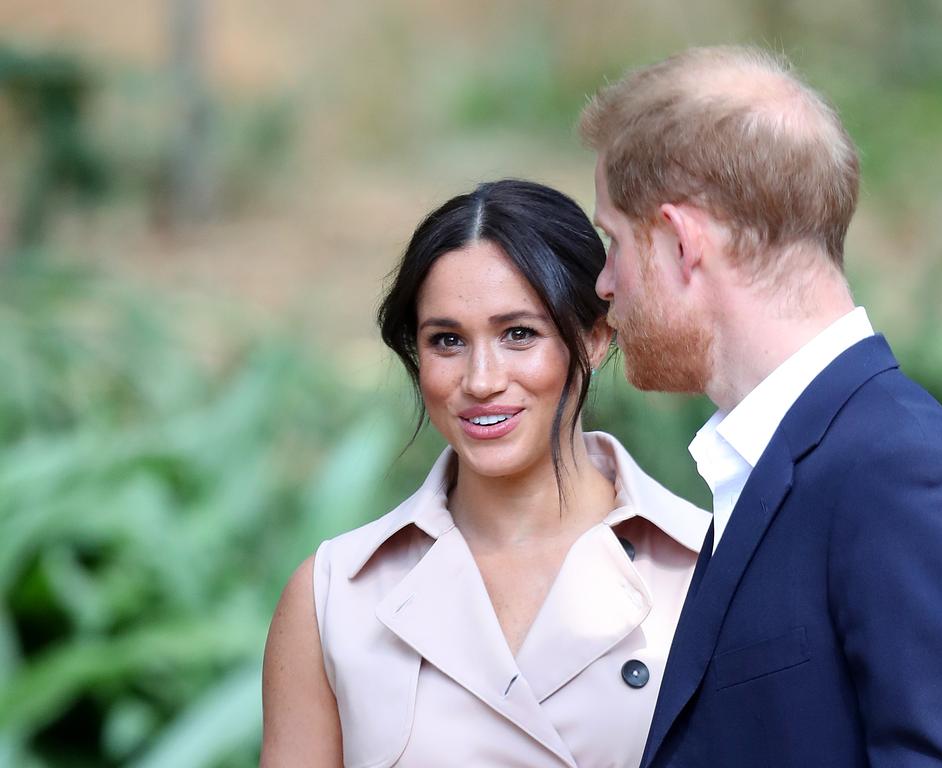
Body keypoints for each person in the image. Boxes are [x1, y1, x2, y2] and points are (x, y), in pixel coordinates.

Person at [580, 45, 942, 767]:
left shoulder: (900, 478)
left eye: (615, 241)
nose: (604, 283)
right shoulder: (800, 460)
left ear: (680, 242)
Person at [260, 179, 710, 767]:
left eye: (518, 334)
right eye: (446, 341)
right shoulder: (334, 595)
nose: (481, 380)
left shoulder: (709, 568)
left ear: (595, 337)